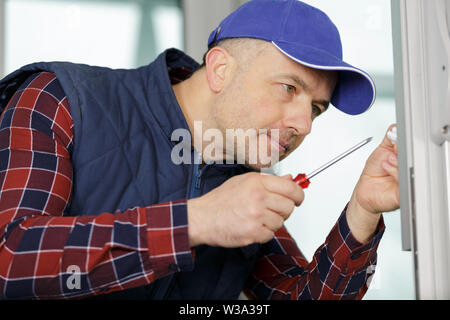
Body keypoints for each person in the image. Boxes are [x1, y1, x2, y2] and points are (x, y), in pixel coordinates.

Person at [0, 0, 398, 300]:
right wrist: (196, 222)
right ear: (220, 69)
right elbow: (10, 257)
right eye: (289, 88)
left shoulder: (239, 180)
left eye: (316, 109)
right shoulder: (58, 99)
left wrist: (363, 212)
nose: (304, 125)